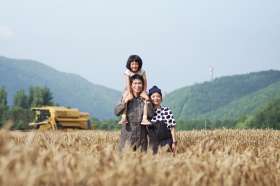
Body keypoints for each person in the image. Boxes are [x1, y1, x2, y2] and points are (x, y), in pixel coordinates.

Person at [114, 74, 154, 152]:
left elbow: (151, 115)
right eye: (135, 83)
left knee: (141, 162)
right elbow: (116, 112)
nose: (137, 85)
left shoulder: (146, 98)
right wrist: (125, 102)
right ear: (131, 85)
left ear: (143, 85)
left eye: (140, 83)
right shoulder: (125, 96)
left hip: (141, 139)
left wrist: (148, 100)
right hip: (127, 138)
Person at [118, 55, 151, 125]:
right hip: (129, 89)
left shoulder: (142, 71)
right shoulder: (127, 72)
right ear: (129, 64)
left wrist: (144, 92)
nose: (134, 66)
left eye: (136, 64)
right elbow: (127, 84)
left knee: (146, 99)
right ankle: (124, 117)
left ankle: (144, 118)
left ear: (139, 64)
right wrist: (129, 93)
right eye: (132, 64)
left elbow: (145, 82)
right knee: (125, 98)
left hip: (140, 89)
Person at [147, 86, 177, 155]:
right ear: (150, 98)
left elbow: (172, 127)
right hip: (153, 145)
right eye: (153, 96)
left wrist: (174, 142)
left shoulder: (166, 110)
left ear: (161, 98)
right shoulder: (148, 112)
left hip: (167, 142)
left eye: (158, 96)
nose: (156, 98)